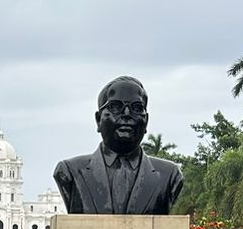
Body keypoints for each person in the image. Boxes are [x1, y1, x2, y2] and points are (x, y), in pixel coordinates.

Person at [52, 76, 183, 215]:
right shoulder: (70, 171)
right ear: (98, 119)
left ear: (146, 121)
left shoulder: (170, 175)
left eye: (137, 107)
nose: (126, 114)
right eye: (115, 106)